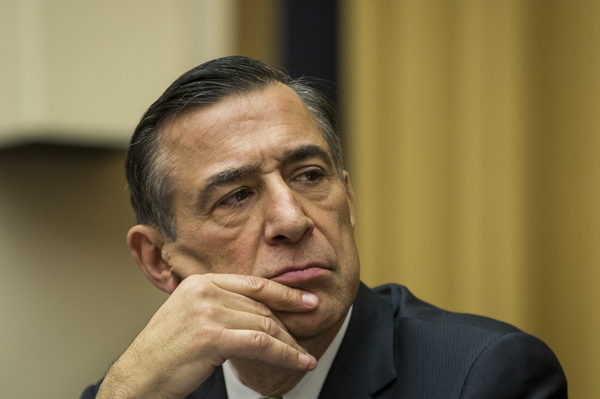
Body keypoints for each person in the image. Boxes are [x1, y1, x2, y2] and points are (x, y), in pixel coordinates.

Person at [81, 56, 567, 399]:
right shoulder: (141, 388)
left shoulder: (484, 377)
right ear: (157, 259)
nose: (292, 220)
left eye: (309, 176)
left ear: (348, 199)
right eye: (237, 196)